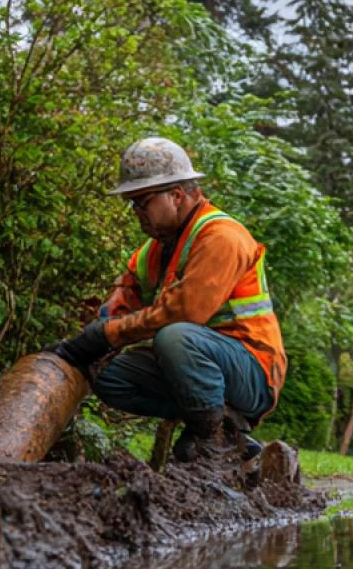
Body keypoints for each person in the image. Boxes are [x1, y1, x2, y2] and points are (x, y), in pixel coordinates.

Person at [47, 137, 286, 463]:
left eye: (141, 202)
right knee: (106, 375)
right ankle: (226, 429)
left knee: (174, 335)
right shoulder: (155, 251)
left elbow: (185, 312)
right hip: (201, 362)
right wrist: (78, 345)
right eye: (131, 204)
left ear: (175, 195)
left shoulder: (222, 238)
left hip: (252, 371)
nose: (136, 213)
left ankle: (212, 441)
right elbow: (118, 306)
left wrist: (107, 334)